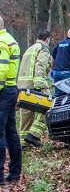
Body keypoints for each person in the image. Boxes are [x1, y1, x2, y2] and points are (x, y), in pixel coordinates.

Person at [17, 30, 52, 147]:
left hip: (23, 86)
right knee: (48, 108)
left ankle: (23, 143)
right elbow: (40, 67)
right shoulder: (43, 49)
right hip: (35, 84)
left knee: (26, 115)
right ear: (47, 39)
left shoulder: (30, 48)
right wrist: (39, 86)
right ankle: (33, 135)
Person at [0, 16, 22, 185]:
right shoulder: (10, 40)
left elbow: (2, 69)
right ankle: (14, 173)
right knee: (11, 132)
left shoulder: (1, 43)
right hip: (11, 89)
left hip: (3, 91)